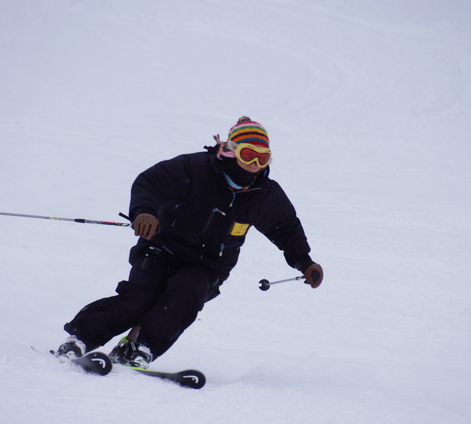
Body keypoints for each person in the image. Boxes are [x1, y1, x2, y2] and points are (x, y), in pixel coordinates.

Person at [55, 117, 323, 368]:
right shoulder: (196, 169)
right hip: (162, 249)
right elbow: (150, 182)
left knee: (184, 298)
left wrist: (304, 261)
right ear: (231, 150)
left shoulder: (265, 194)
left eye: (262, 158)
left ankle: (137, 348)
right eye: (248, 154)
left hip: (209, 266)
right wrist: (144, 211)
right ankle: (80, 338)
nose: (255, 164)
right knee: (139, 298)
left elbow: (285, 227)